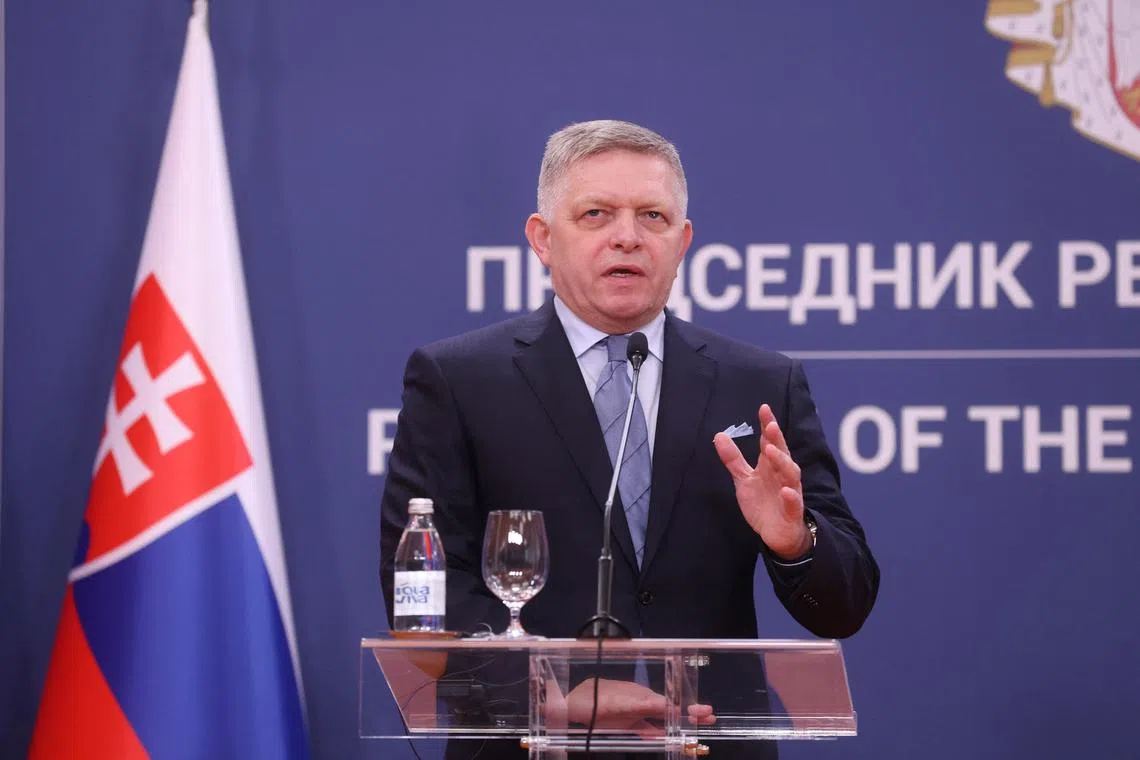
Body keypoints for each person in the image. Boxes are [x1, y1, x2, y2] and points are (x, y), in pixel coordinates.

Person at [380, 120, 879, 758]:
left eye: (652, 216)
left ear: (683, 241)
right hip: (528, 747)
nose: (627, 236)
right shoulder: (458, 380)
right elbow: (423, 589)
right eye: (596, 214)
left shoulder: (759, 384)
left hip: (709, 741)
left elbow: (844, 606)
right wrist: (541, 691)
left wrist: (794, 541)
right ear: (543, 238)